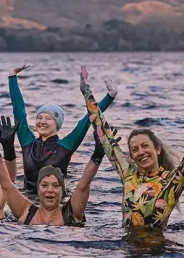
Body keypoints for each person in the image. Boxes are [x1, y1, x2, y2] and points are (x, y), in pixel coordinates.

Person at [81, 66, 184, 229]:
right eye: (135, 149)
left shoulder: (174, 179)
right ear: (130, 156)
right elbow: (104, 133)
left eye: (145, 146)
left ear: (157, 149)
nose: (141, 152)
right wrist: (86, 90)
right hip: (127, 249)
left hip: (157, 251)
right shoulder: (128, 173)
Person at [7, 64, 116, 194]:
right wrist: (12, 76)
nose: (42, 121)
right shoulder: (27, 142)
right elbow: (18, 110)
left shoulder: (65, 145)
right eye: (39, 117)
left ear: (57, 124)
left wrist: (109, 96)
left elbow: (86, 120)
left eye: (48, 118)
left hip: (56, 202)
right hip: (29, 200)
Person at [0, 116, 103, 226]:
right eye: (44, 185)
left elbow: (83, 185)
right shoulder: (26, 212)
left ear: (62, 190)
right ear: (38, 188)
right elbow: (6, 185)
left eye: (56, 186)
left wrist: (97, 155)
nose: (50, 190)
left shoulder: (71, 214)